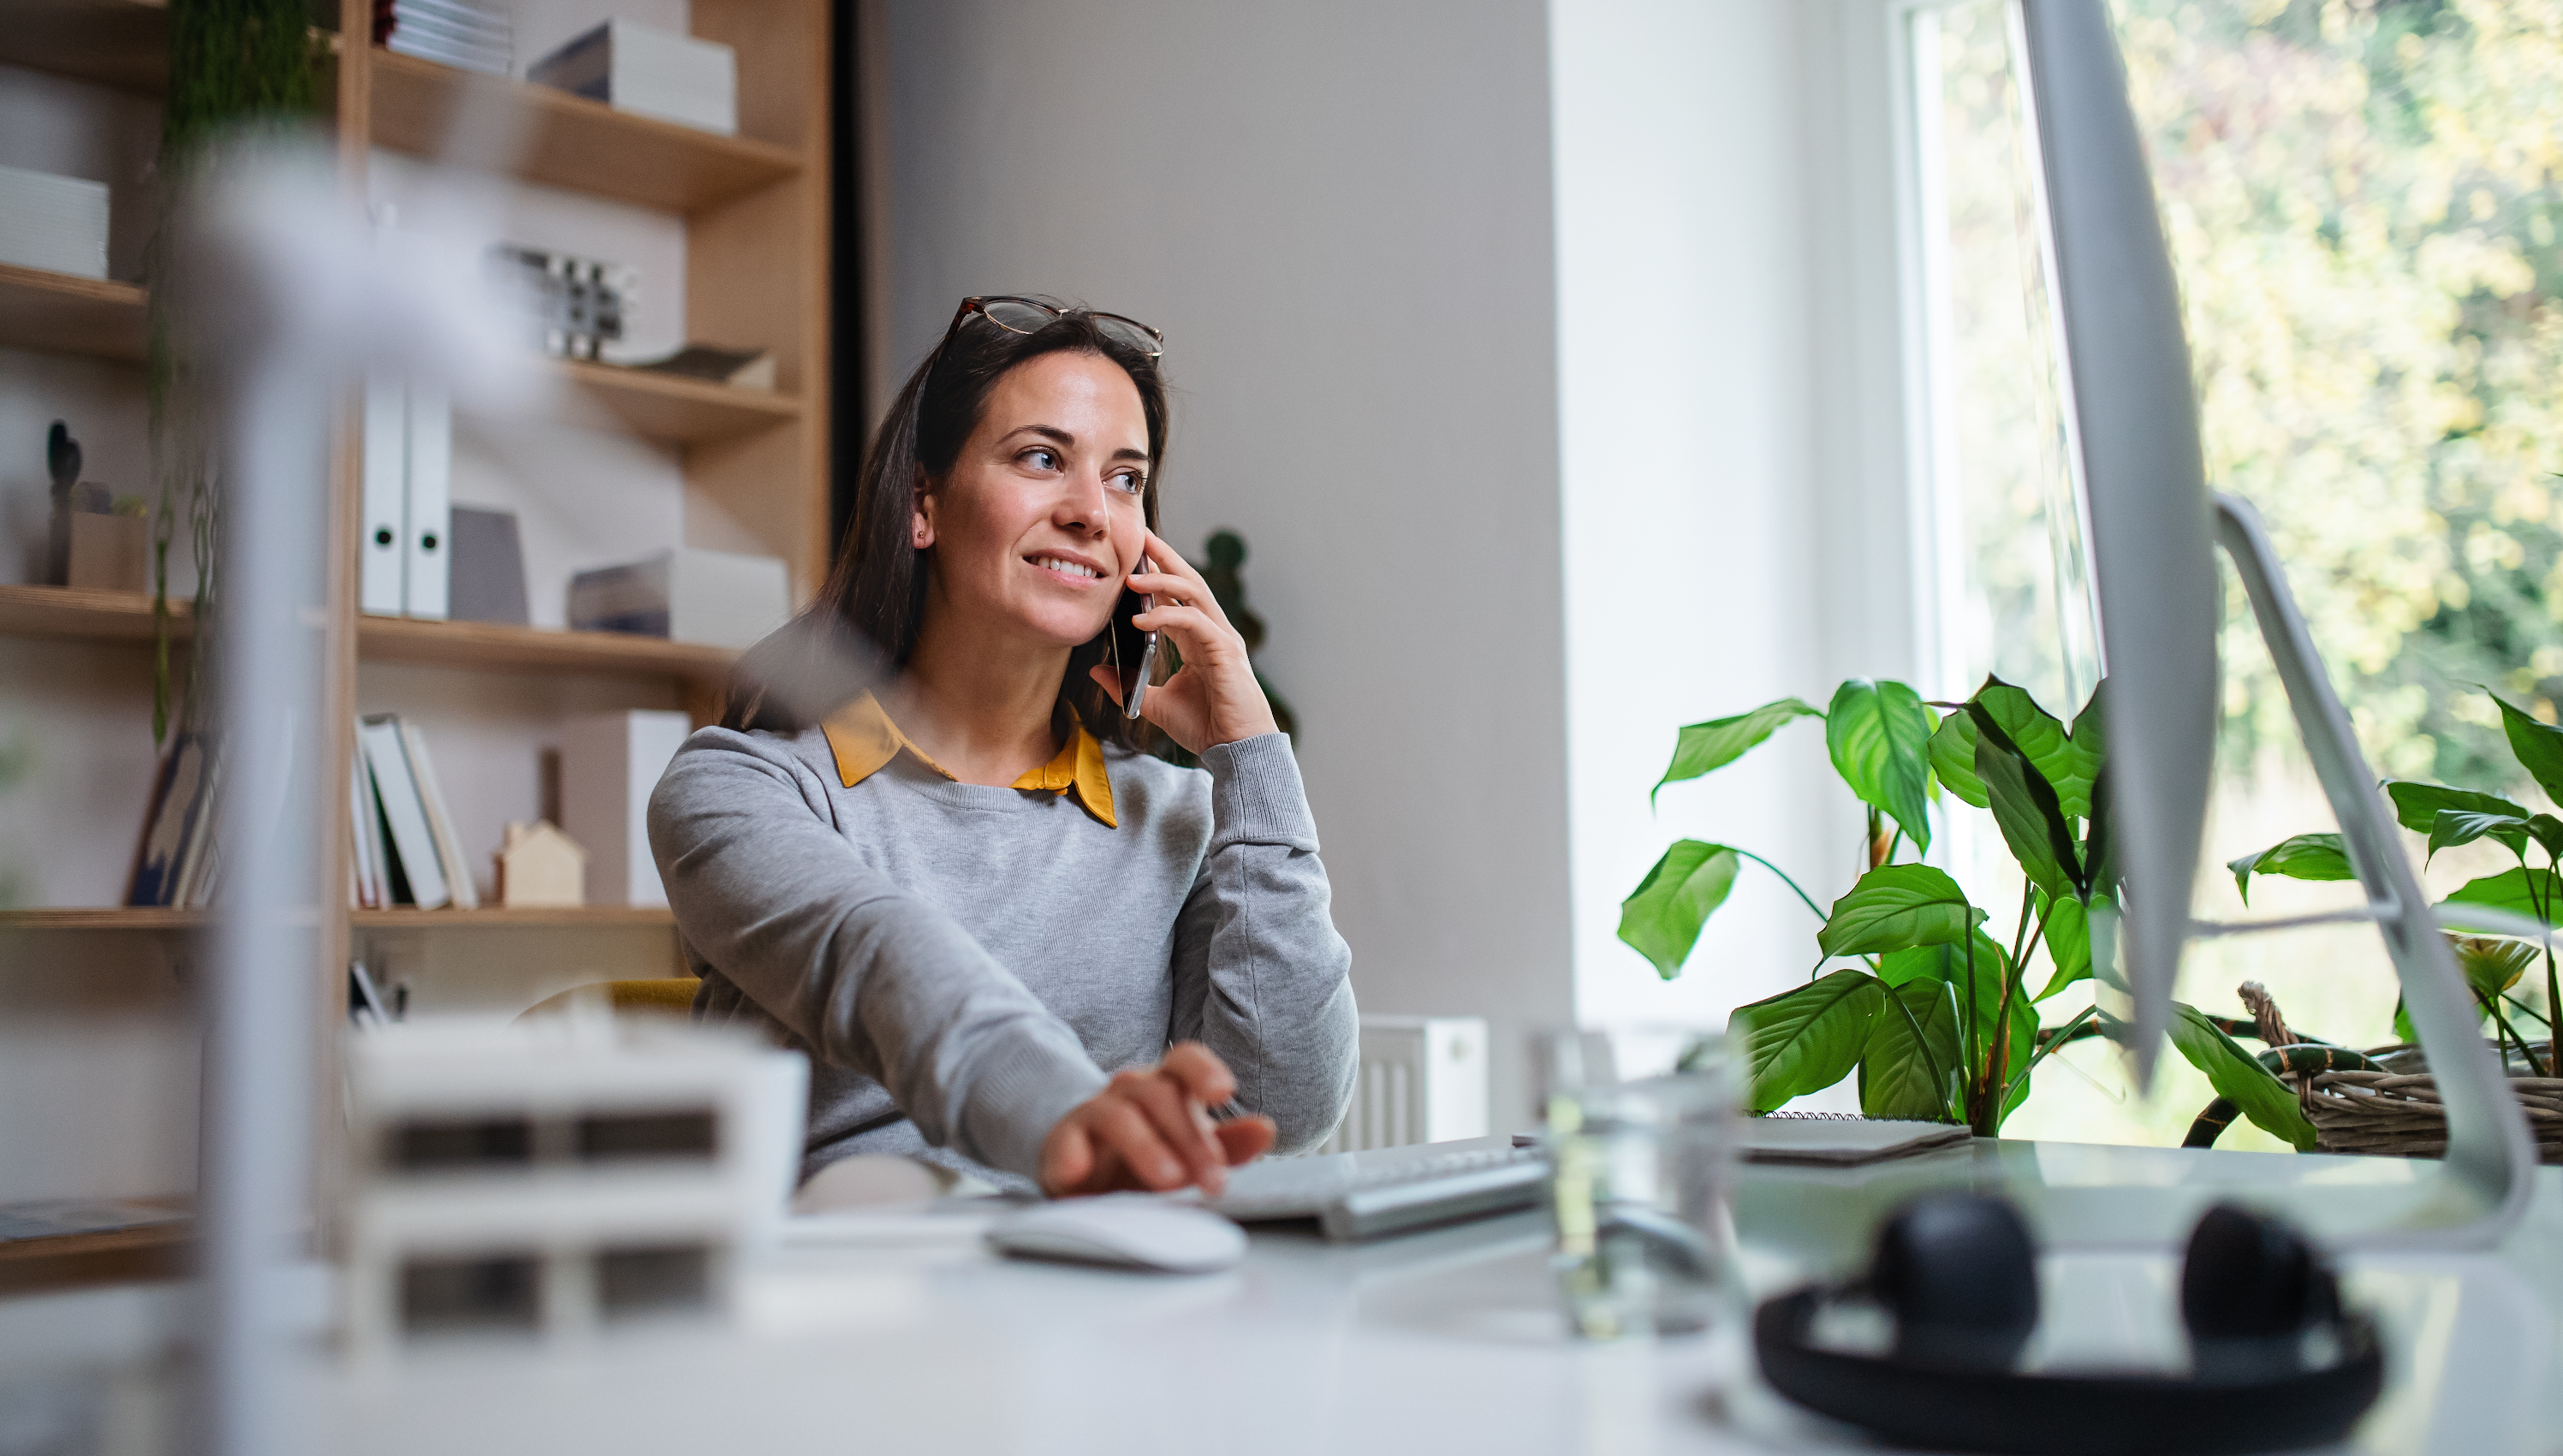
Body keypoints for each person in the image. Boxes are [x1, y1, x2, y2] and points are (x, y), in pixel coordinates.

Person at [648, 296, 1359, 1198]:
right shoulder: (738, 789)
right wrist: (1068, 1114)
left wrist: (1251, 754)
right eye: (1042, 458)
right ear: (923, 506)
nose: (1092, 513)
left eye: (1127, 479)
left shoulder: (1175, 819)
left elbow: (1282, 1106)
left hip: (1087, 1288)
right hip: (840, 1299)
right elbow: (875, 955)